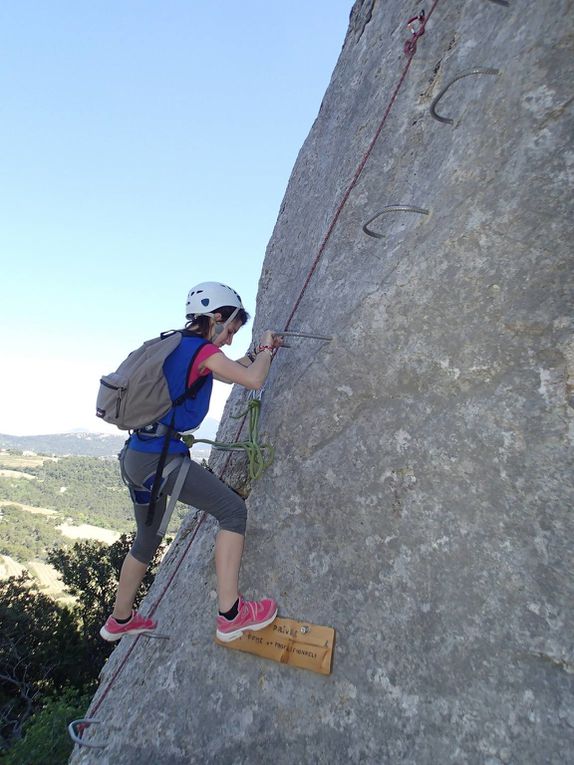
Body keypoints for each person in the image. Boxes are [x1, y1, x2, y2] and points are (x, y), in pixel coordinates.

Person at [100, 282, 282, 643]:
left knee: (148, 537)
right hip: (160, 460)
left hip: (137, 456)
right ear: (216, 317)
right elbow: (253, 379)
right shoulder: (200, 350)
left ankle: (119, 620)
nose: (229, 339)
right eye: (230, 328)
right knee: (232, 511)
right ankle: (231, 614)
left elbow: (233, 369)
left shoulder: (180, 346)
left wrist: (263, 354)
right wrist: (263, 351)